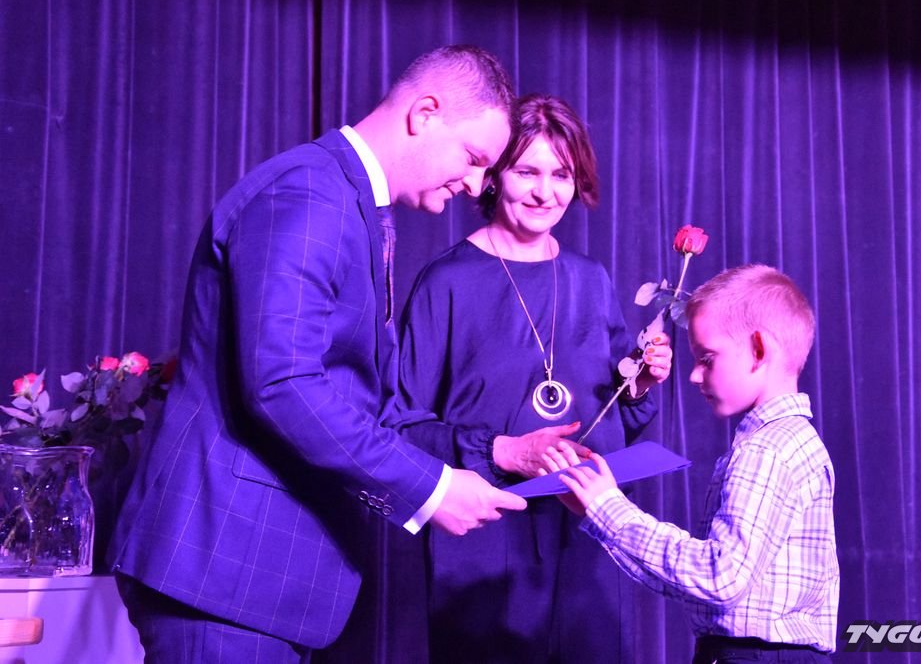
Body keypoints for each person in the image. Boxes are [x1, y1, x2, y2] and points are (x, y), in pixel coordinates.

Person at [109, 45, 579, 663]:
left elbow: (366, 407)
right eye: (473, 158)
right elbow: (284, 385)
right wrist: (432, 489)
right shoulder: (309, 193)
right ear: (425, 113)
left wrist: (486, 457)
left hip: (257, 585)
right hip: (223, 574)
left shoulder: (349, 203)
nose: (474, 185)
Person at [395, 93, 673, 663]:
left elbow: (616, 420)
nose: (546, 192)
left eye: (561, 175)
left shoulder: (591, 280)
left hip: (588, 546)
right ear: (494, 174)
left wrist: (642, 384)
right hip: (483, 550)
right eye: (528, 172)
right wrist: (504, 451)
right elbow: (399, 428)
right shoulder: (445, 283)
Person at [544, 264, 840, 663]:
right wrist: (597, 514)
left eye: (708, 359)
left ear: (758, 350)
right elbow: (698, 586)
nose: (695, 376)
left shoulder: (766, 451)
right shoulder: (788, 441)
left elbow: (720, 578)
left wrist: (609, 510)